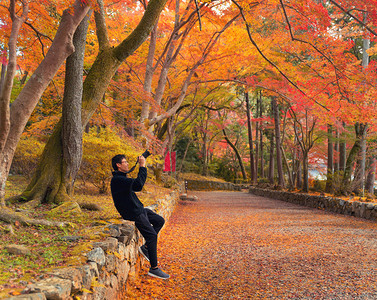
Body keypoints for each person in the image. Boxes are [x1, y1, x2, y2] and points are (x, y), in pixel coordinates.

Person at [110, 154, 170, 279]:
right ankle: (154, 268)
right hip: (133, 212)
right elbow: (138, 185)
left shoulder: (122, 178)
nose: (127, 164)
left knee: (159, 220)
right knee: (152, 235)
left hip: (139, 209)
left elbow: (136, 185)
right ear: (118, 165)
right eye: (125, 162)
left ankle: (146, 247)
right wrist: (142, 166)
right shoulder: (117, 180)